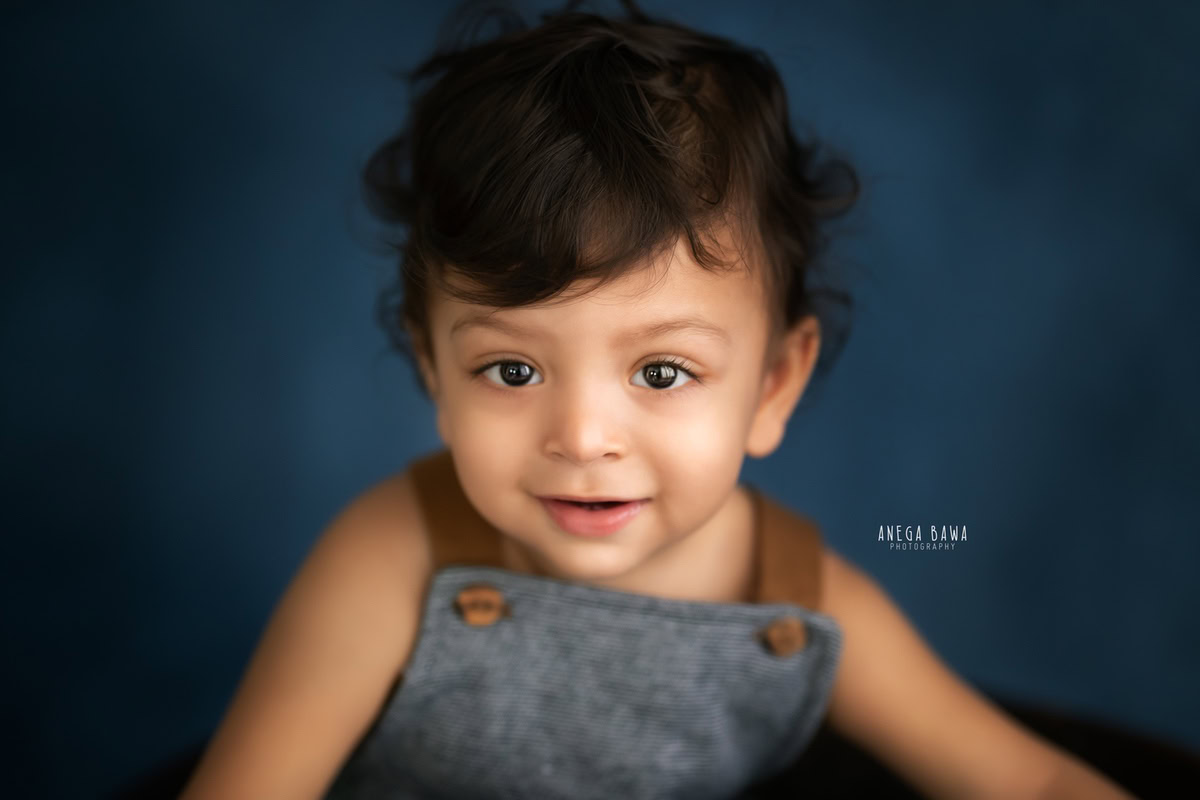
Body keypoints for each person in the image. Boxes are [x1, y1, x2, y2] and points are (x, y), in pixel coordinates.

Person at [178, 1, 1137, 797]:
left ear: (773, 387)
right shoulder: (391, 563)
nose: (585, 437)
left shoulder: (802, 603)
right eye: (512, 371)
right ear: (433, 371)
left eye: (661, 372)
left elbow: (1029, 783)